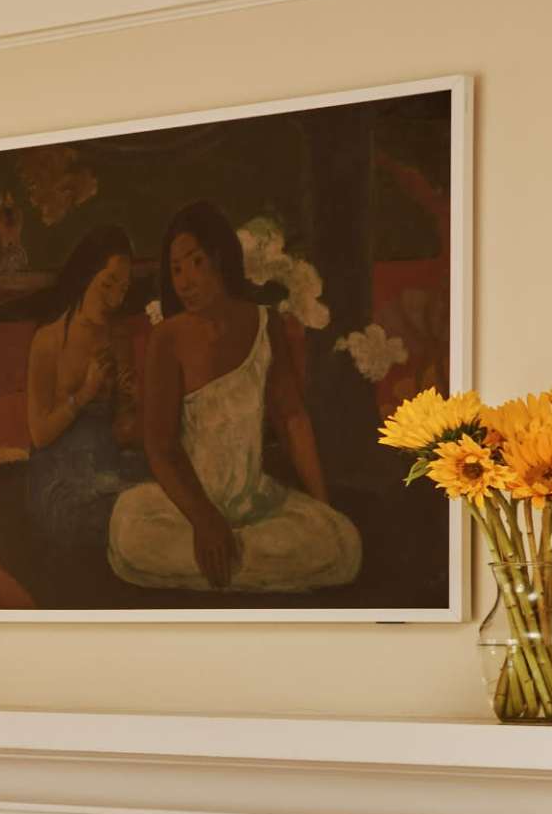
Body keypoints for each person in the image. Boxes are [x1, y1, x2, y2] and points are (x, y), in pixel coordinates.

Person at [105, 201, 362, 592]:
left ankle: (230, 559)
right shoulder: (167, 339)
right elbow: (160, 445)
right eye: (175, 269)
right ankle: (229, 557)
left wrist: (322, 505)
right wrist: (204, 520)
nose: (185, 281)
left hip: (254, 506)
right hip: (185, 509)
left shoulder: (264, 324)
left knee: (340, 541)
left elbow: (292, 419)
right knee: (130, 536)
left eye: (195, 263)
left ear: (221, 259)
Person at [19, 225, 142, 550]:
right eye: (108, 284)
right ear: (87, 275)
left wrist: (132, 401)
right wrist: (86, 392)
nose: (116, 297)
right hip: (60, 474)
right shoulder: (48, 340)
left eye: (124, 288)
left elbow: (124, 432)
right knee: (116, 523)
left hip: (109, 462)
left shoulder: (120, 338)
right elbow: (39, 434)